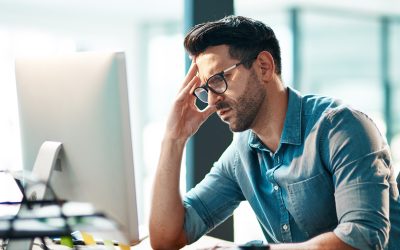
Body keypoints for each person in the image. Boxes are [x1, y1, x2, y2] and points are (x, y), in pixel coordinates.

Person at [149, 15, 400, 250]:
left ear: (264, 67)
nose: (212, 101)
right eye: (206, 89)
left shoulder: (341, 129)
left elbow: (364, 237)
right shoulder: (241, 156)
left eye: (218, 80)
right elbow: (167, 238)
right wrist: (174, 138)